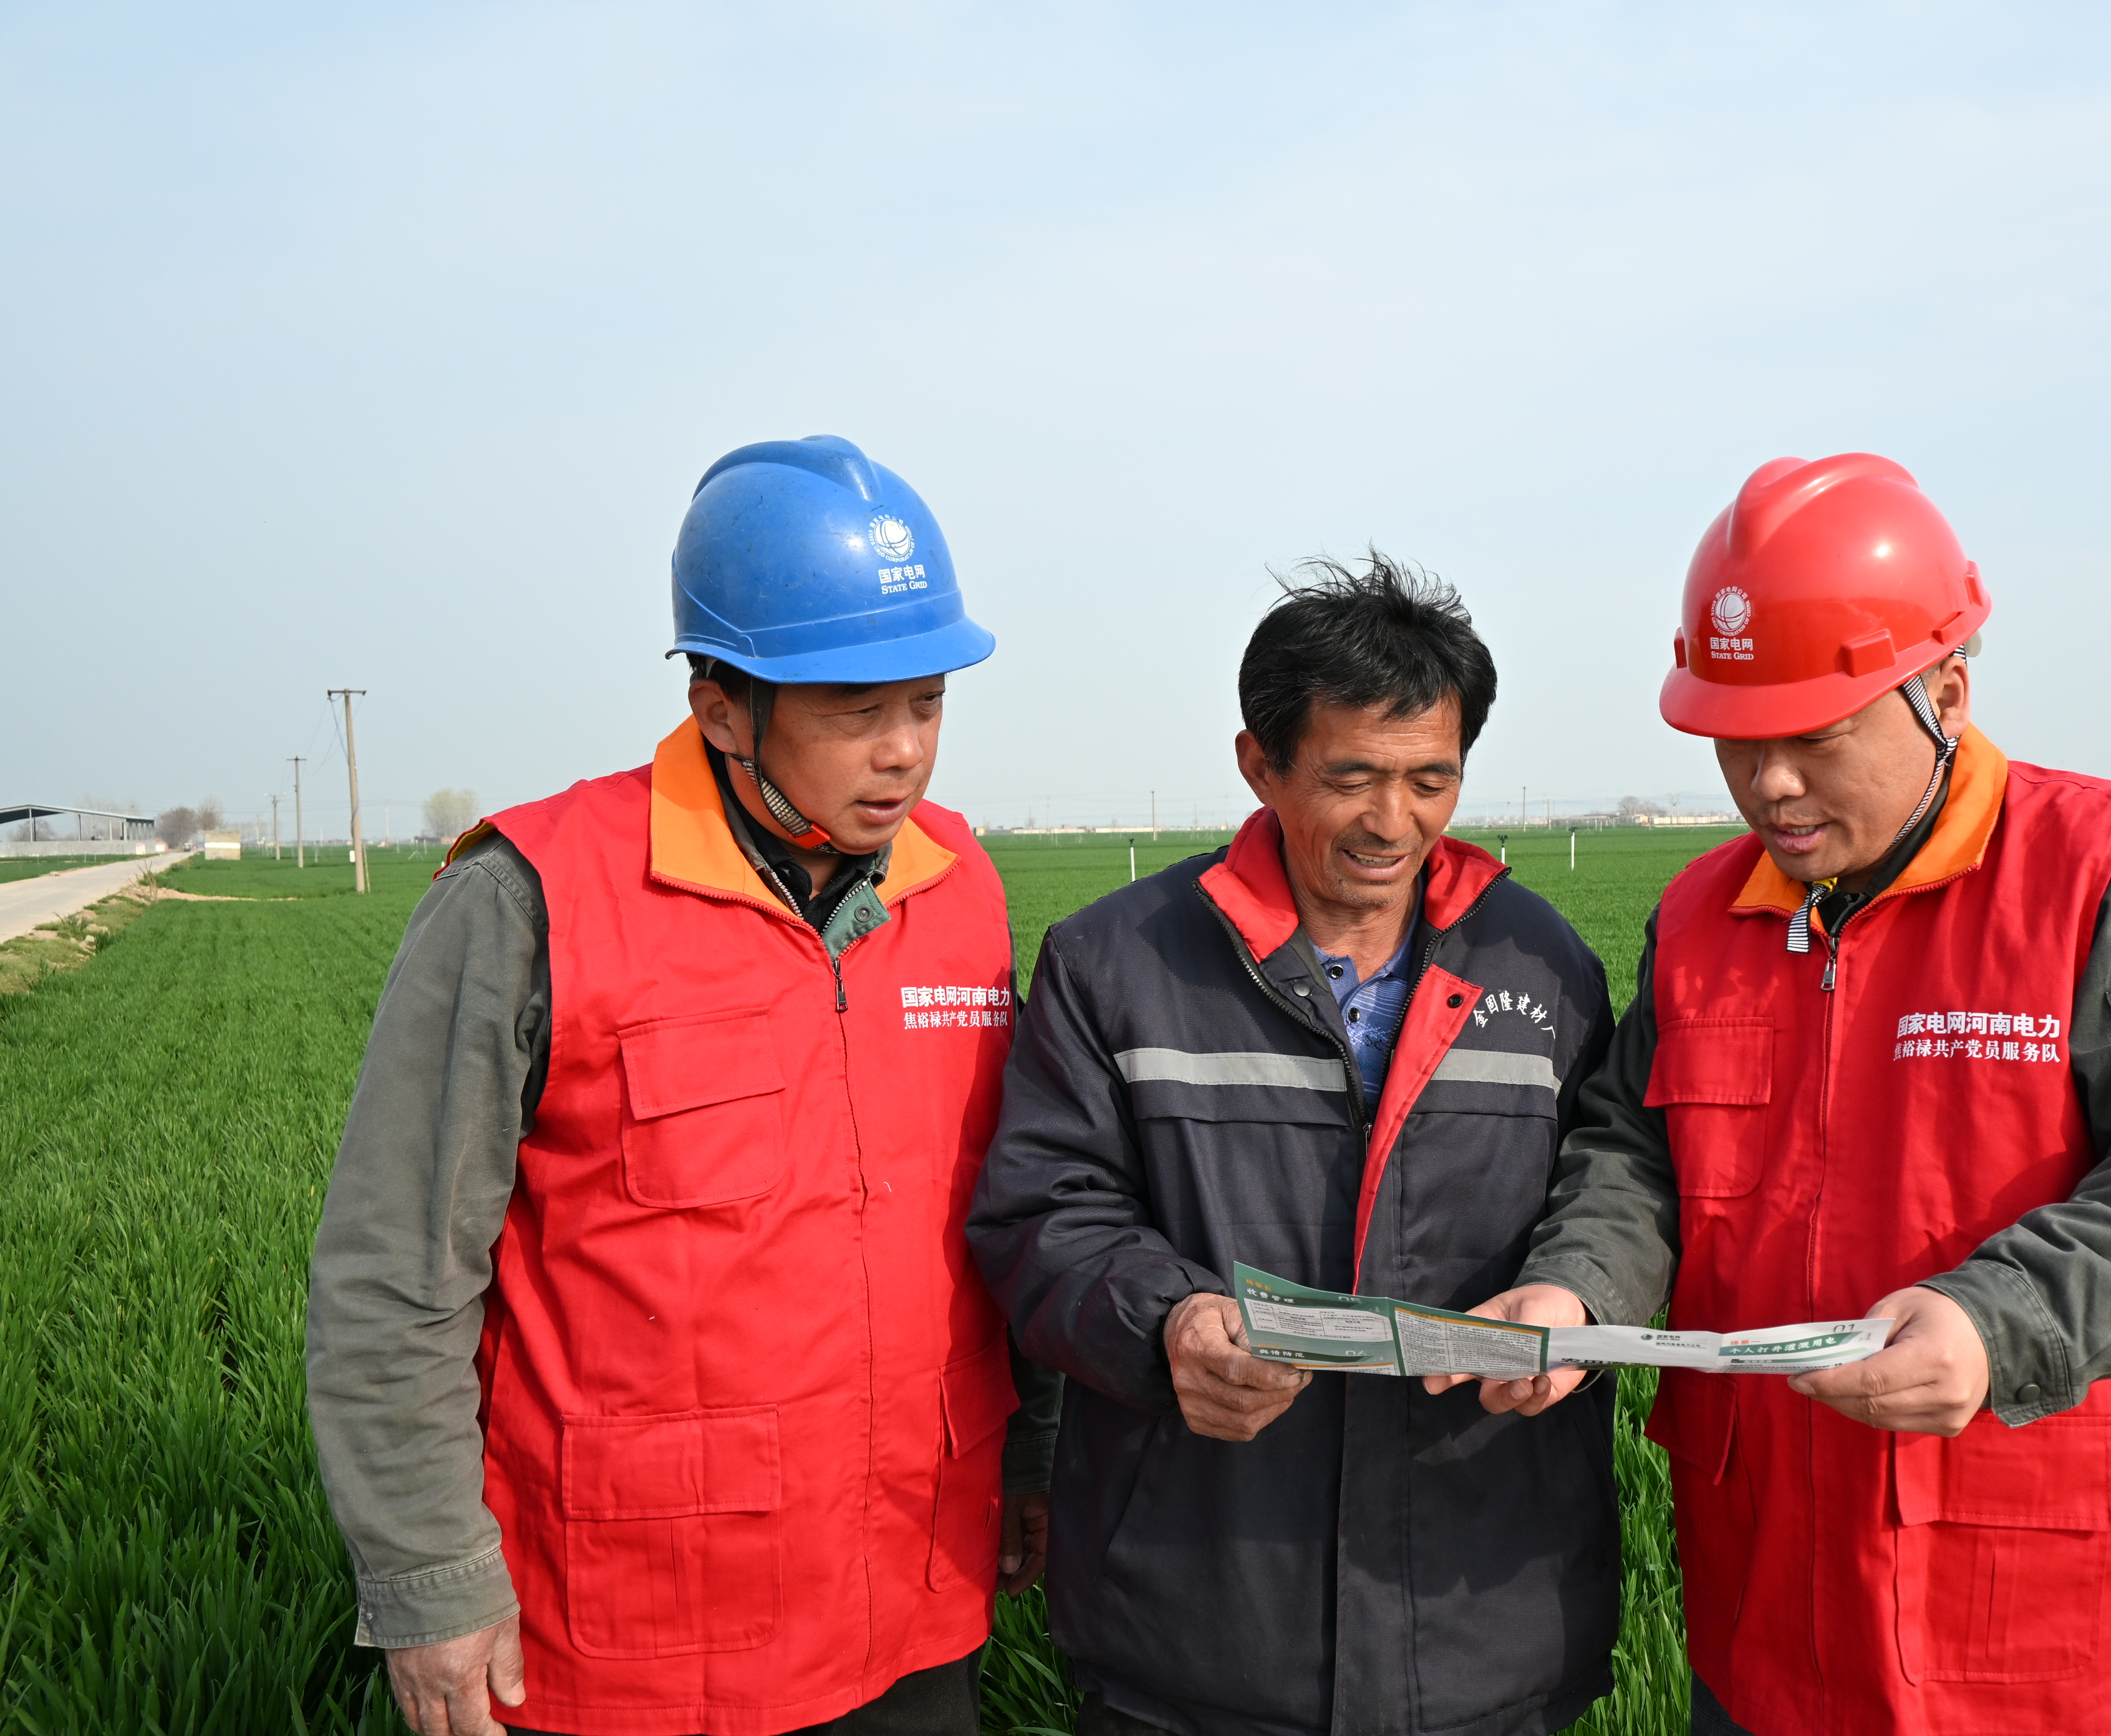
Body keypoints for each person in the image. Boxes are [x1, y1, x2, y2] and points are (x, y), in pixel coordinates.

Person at [1466, 453, 2111, 1734]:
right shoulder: (1703, 915)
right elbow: (1637, 1148)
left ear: (1948, 696)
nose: (1773, 787)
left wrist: (1999, 1323)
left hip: (2021, 1632)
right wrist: (1579, 1285)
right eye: (1740, 745)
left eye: (1816, 737)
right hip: (1761, 1620)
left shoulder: (2104, 874)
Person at [306, 436, 1060, 1736]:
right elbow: (395, 1274)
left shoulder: (961, 891)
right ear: (721, 705)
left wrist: (1042, 1453)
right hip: (639, 1641)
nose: (904, 755)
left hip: (915, 1605)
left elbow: (1017, 1209)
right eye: (852, 711)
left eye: (927, 703)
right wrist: (429, 1580)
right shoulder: (531, 901)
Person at [966, 557, 1621, 1736]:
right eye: (1353, 778)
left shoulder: (1543, 965)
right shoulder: (1118, 965)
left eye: (1433, 779)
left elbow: (1616, 1179)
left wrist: (1578, 1288)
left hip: (1488, 1615)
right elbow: (1043, 1216)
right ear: (1260, 764)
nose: (1394, 822)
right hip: (1200, 1623)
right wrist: (1166, 1322)